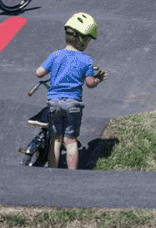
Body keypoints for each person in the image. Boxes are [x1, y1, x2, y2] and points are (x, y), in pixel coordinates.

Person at [35, 12, 107, 169]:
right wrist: (98, 79)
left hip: (54, 103)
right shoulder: (86, 60)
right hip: (73, 104)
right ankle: (71, 176)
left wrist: (49, 68)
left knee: (55, 139)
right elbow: (89, 83)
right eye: (88, 39)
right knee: (70, 141)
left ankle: (52, 171)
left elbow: (39, 73)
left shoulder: (55, 55)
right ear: (82, 39)